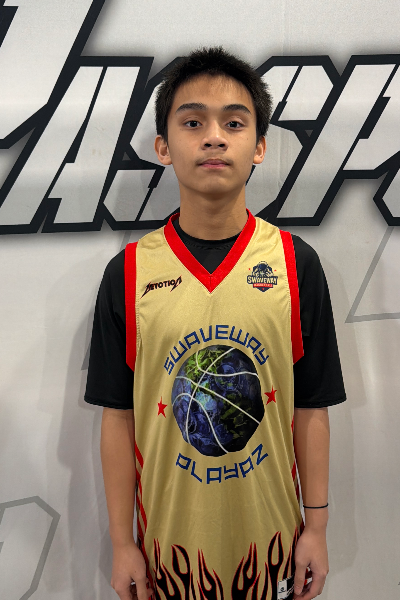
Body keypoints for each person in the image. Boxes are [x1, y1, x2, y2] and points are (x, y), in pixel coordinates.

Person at [84, 47, 346, 600]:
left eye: (234, 123)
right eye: (192, 122)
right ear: (163, 146)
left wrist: (318, 526)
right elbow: (118, 417)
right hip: (170, 556)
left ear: (260, 146)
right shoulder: (128, 273)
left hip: (272, 549)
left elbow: (311, 406)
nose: (214, 138)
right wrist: (122, 541)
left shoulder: (294, 263)